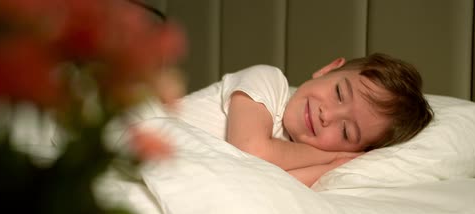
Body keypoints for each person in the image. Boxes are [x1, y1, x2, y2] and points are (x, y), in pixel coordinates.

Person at [173, 53, 433, 187]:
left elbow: (272, 189)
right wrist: (330, 156)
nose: (327, 115)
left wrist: (338, 165)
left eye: (346, 132)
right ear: (328, 69)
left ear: (357, 150)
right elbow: (252, 150)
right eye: (340, 93)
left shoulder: (295, 158)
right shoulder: (268, 81)